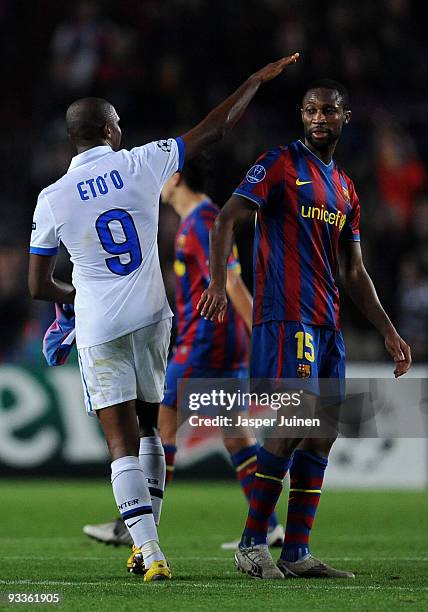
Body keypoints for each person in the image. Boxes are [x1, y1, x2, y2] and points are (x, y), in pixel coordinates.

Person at [28, 53, 300, 582]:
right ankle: (144, 541)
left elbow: (37, 286)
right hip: (155, 317)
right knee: (153, 428)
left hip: (101, 325)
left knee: (119, 443)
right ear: (110, 130)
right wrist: (252, 79)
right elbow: (216, 128)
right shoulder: (140, 162)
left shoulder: (52, 198)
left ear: (72, 140)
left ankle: (150, 552)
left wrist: (75, 294)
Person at [198, 79, 412, 579]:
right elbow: (225, 219)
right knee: (297, 421)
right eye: (312, 110)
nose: (320, 118)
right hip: (285, 314)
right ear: (301, 115)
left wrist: (387, 330)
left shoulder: (345, 188)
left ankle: (296, 552)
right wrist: (216, 282)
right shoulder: (278, 164)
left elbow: (353, 271)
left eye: (329, 111)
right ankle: (253, 543)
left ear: (345, 117)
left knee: (320, 435)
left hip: (327, 323)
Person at [82, 157, 284, 549]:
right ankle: (269, 525)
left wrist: (265, 340)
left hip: (203, 343)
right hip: (219, 344)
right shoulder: (199, 221)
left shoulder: (204, 222)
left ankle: (136, 525)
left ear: (174, 178)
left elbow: (236, 287)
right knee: (237, 436)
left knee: (158, 428)